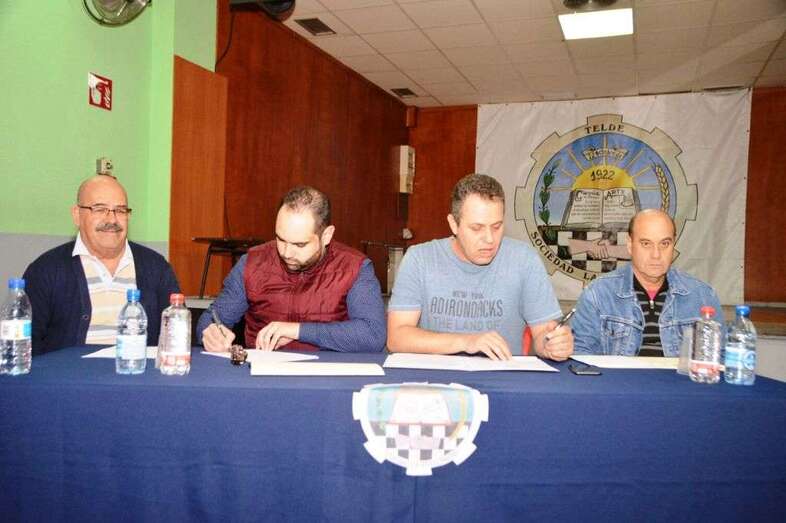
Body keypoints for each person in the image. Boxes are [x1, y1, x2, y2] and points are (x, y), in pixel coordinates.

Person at [387, 173, 573, 361]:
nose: (489, 239)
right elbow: (397, 337)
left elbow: (543, 334)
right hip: (437, 383)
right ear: (453, 224)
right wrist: (466, 342)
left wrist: (552, 345)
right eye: (476, 228)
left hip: (502, 380)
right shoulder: (420, 259)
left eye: (497, 226)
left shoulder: (524, 260)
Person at [198, 186, 386, 353]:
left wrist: (297, 331)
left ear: (326, 236)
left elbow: (372, 335)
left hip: (329, 380)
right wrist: (210, 334)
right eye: (280, 239)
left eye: (300, 244)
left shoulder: (354, 267)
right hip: (262, 379)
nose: (286, 252)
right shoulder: (253, 264)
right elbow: (211, 319)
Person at [23, 174, 180, 354]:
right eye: (100, 209)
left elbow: (174, 333)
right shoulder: (46, 270)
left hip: (137, 373)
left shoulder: (156, 267)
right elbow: (27, 344)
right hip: (69, 378)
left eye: (120, 210)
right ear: (77, 215)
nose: (112, 220)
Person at [572, 209, 724, 356]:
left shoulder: (703, 297)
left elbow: (720, 358)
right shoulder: (597, 294)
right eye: (646, 244)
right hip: (617, 382)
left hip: (681, 382)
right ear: (630, 245)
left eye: (664, 244)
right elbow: (581, 355)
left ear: (673, 245)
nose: (656, 254)